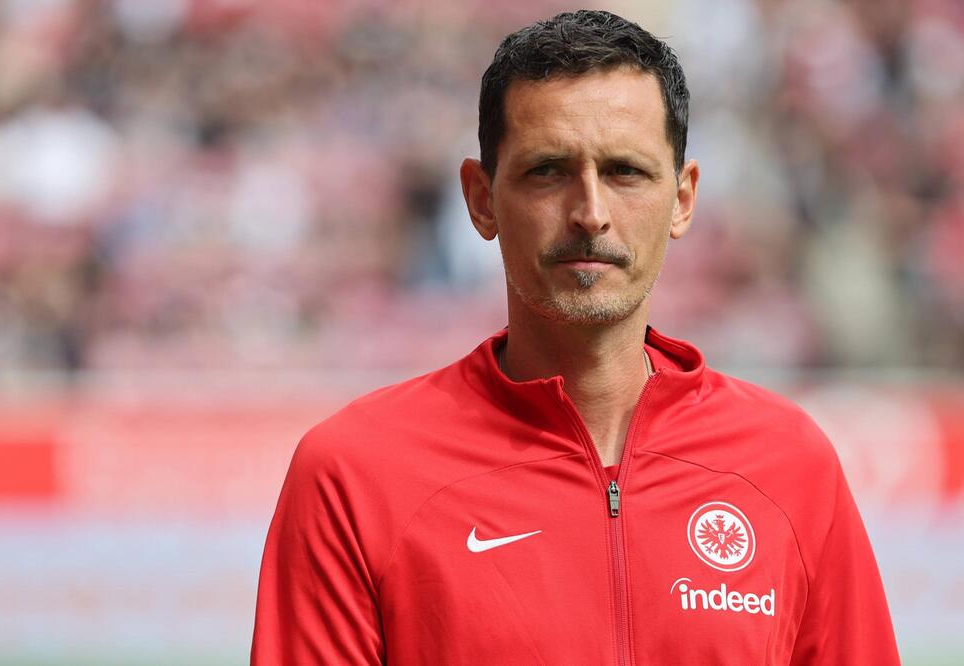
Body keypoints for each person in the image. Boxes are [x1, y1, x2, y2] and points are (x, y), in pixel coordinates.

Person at [251, 10, 899, 665]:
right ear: (481, 199)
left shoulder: (789, 466)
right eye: (547, 171)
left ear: (682, 199)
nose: (590, 213)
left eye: (625, 171)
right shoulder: (356, 475)